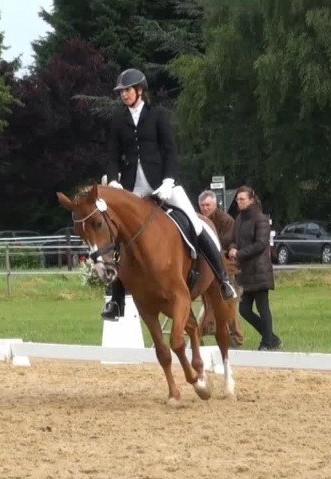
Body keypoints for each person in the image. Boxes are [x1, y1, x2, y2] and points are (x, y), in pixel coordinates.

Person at [101, 68, 237, 321]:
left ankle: (222, 279)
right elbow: (112, 156)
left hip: (163, 184)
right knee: (119, 235)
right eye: (121, 92)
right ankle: (116, 300)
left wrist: (168, 180)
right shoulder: (118, 121)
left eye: (127, 90)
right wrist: (112, 182)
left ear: (140, 90)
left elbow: (170, 151)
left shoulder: (158, 116)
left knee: (195, 224)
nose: (123, 95)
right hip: (133, 189)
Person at [228, 186, 281, 351]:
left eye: (242, 199)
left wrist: (240, 253)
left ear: (251, 199)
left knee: (262, 307)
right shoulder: (238, 219)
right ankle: (271, 337)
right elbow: (233, 239)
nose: (239, 202)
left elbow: (261, 244)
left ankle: (267, 342)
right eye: (237, 199)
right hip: (244, 273)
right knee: (244, 310)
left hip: (259, 270)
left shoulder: (260, 219)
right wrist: (231, 248)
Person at [198, 190, 244, 346]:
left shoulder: (226, 220)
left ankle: (236, 337)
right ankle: (201, 334)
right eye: (202, 205)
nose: (205, 208)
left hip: (225, 266)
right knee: (209, 303)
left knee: (227, 301)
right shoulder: (199, 220)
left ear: (214, 204)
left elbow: (229, 241)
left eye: (208, 205)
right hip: (208, 267)